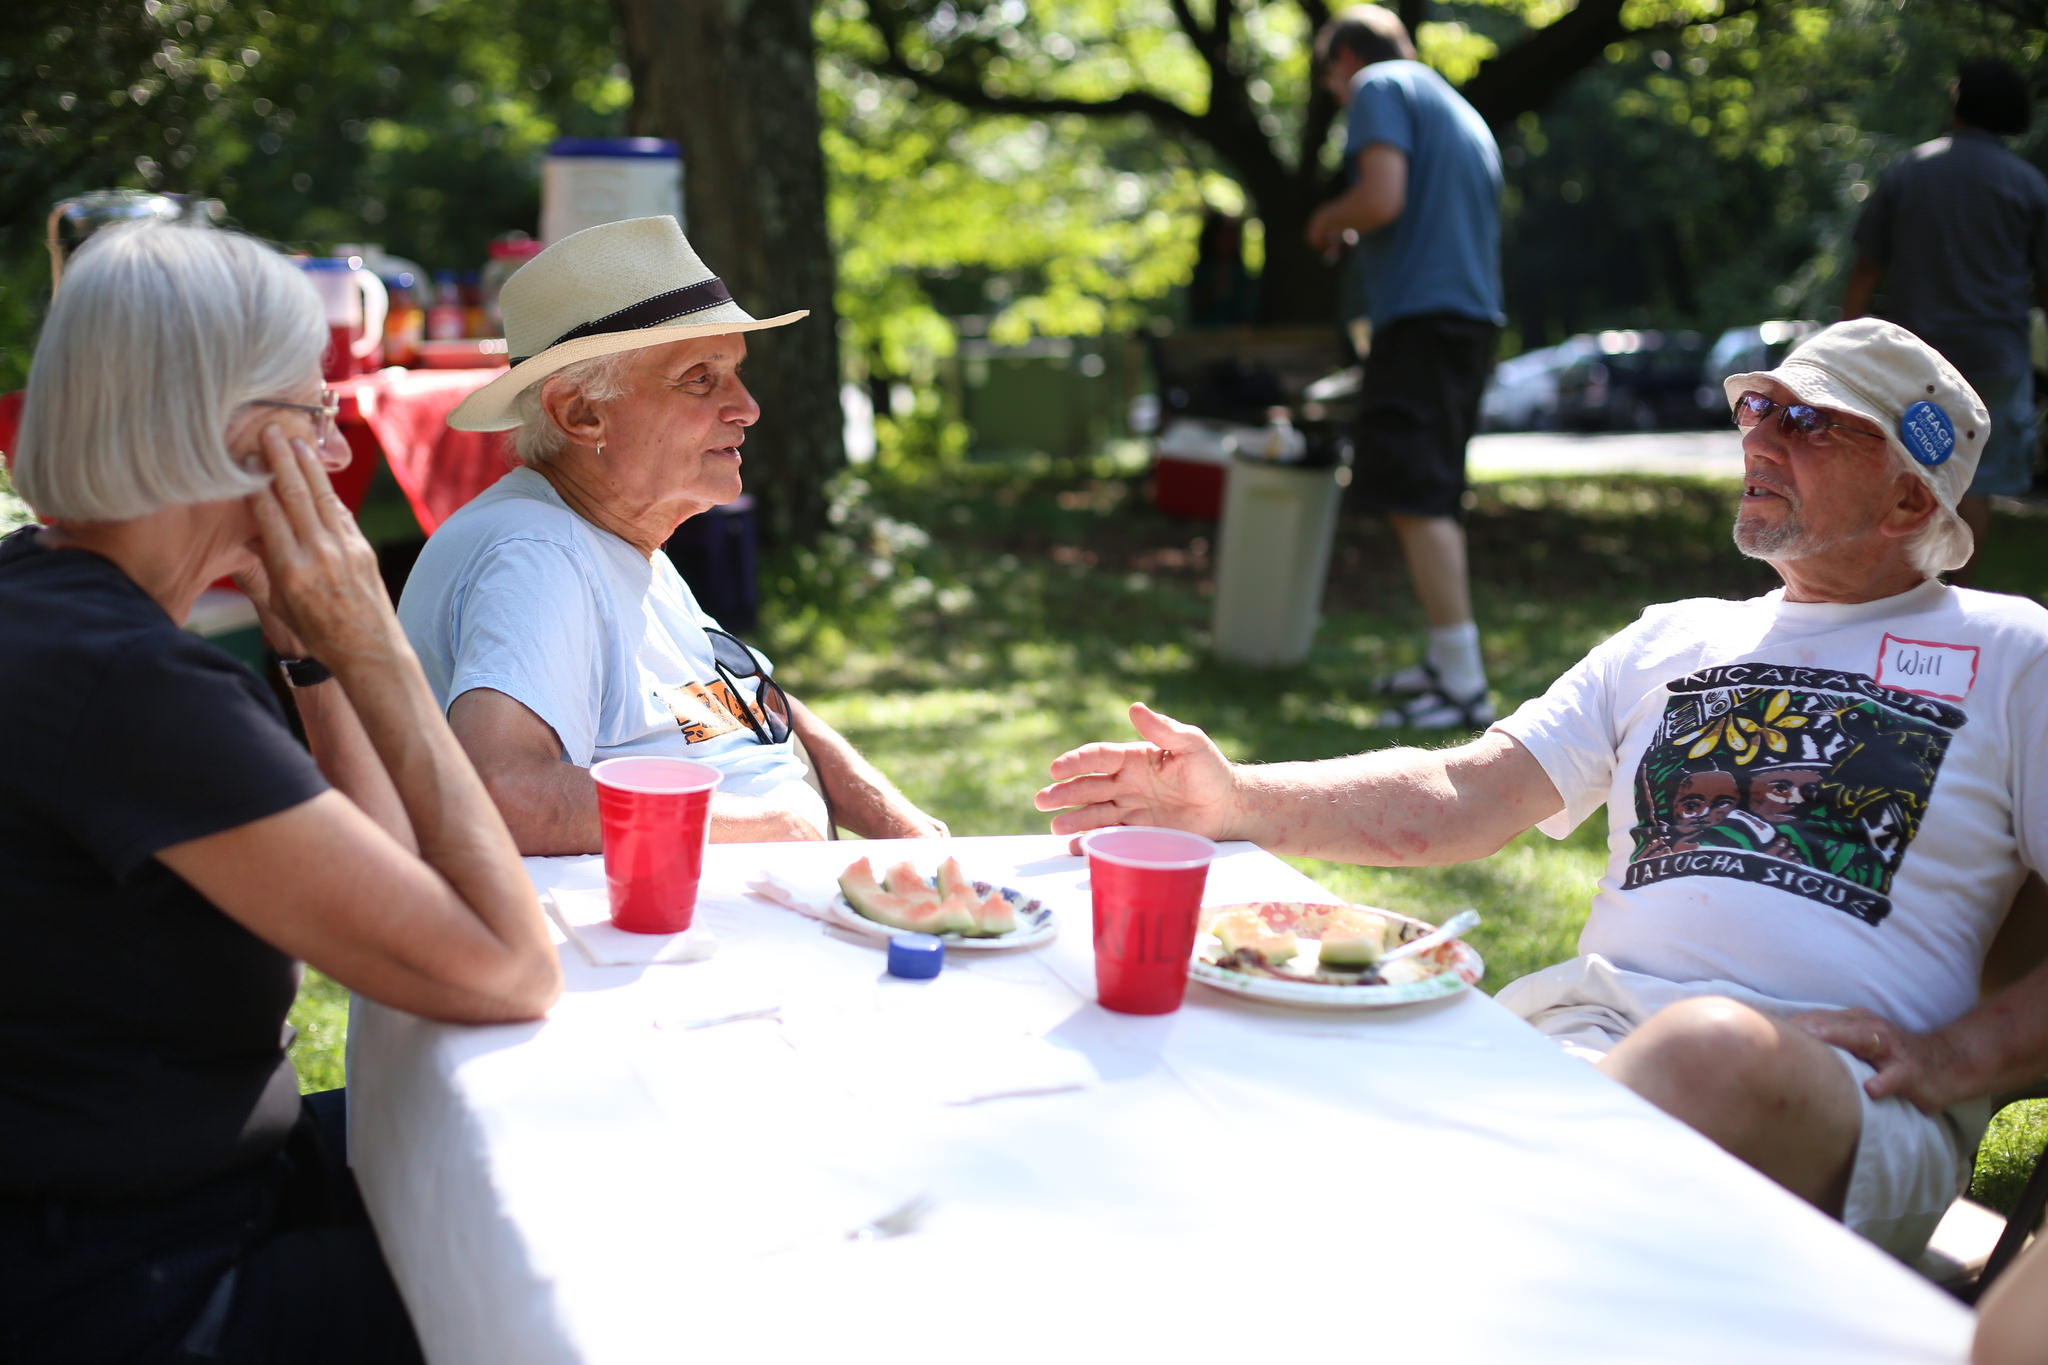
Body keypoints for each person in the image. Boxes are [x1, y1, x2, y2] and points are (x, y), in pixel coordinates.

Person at [1037, 318, 2048, 1259]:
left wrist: (1954, 1062)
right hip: (1586, 1046)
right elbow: (1462, 788)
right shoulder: (1673, 637)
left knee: (1706, 1050)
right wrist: (1233, 800)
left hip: (1841, 1100)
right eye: (1756, 407)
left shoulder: (2014, 655)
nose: (1758, 437)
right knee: (1283, 996)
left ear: (1909, 500)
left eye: (1808, 423)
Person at [0, 223, 562, 1362]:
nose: (336, 448)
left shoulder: (44, 606)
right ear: (246, 437)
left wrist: (310, 653)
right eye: (318, 413)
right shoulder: (130, 685)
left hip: (154, 1205)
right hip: (135, 1286)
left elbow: (393, 882)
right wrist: (378, 649)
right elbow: (506, 970)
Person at [398, 216, 943, 854]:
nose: (747, 408)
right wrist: (770, 828)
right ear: (580, 413)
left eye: (736, 373)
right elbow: (504, 792)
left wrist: (911, 835)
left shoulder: (614, 537)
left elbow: (748, 706)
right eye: (700, 378)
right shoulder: (538, 556)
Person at [1304, 5, 1504, 730]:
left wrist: (1327, 221)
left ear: (1344, 61)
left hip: (1424, 320)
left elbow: (1381, 196)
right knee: (1431, 494)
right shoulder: (1454, 107)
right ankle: (1445, 660)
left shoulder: (1380, 85)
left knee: (1417, 497)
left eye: (1331, 82)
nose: (1338, 98)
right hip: (1464, 319)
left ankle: (1463, 685)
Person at [1844, 58, 2048, 581]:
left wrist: (1847, 343)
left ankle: (1902, 591)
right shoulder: (2029, 185)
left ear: (1958, 105)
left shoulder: (1909, 170)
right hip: (1995, 357)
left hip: (1916, 359)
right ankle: (1956, 598)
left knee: (1909, 472)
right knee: (1976, 481)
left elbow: (1866, 267)